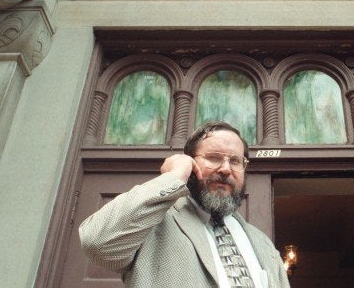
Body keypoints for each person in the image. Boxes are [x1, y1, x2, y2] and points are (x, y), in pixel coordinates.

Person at [79, 121, 290, 287]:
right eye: (214, 157)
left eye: (235, 161)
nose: (226, 169)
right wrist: (174, 176)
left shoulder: (262, 243)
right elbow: (98, 242)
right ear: (189, 163)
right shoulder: (154, 222)